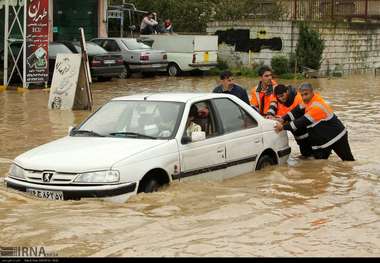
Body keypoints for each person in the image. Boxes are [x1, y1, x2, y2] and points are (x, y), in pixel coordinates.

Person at [275, 83, 355, 161]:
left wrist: (283, 127)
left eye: (306, 94)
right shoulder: (307, 101)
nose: (304, 97)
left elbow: (301, 121)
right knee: (318, 165)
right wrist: (283, 118)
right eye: (302, 95)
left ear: (312, 92)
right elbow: (297, 110)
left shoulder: (316, 106)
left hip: (337, 137)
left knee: (348, 162)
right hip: (323, 140)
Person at [269, 84, 313, 158]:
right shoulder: (278, 101)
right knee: (305, 153)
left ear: (287, 92)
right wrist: (271, 115)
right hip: (297, 132)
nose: (281, 98)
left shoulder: (299, 98)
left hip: (307, 130)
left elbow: (302, 116)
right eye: (279, 97)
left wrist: (284, 122)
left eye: (282, 95)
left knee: (312, 152)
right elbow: (281, 112)